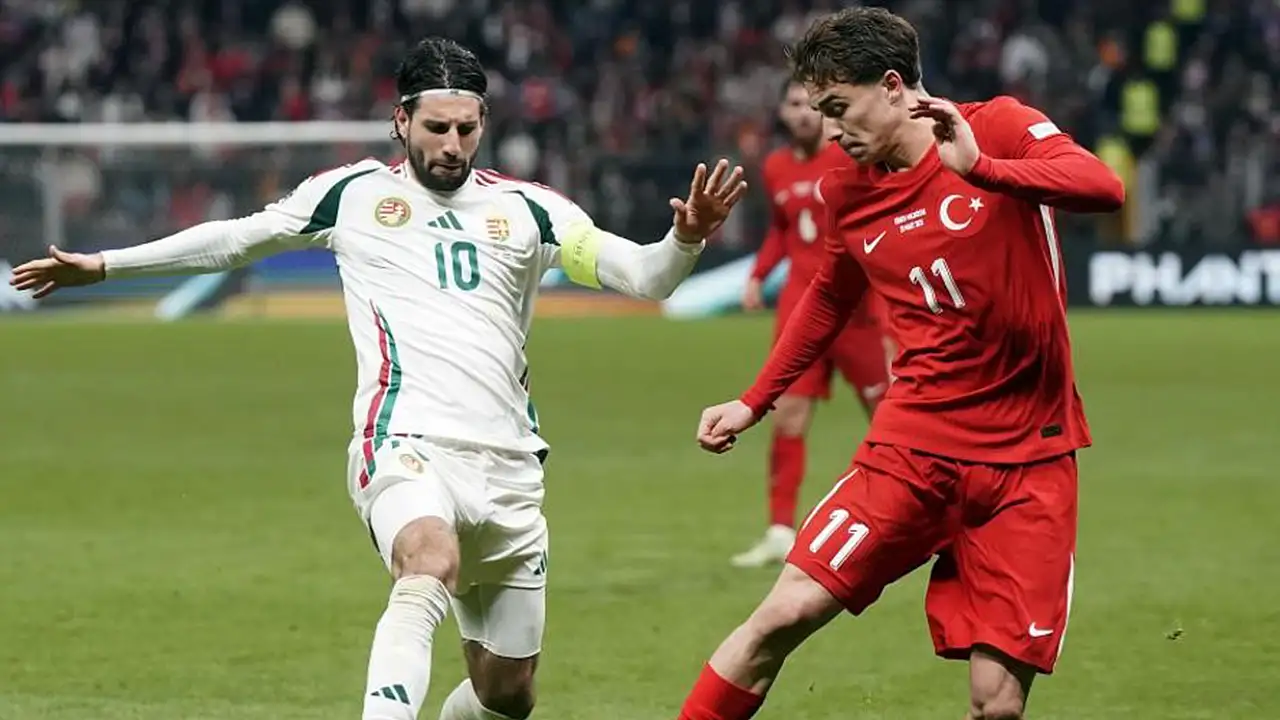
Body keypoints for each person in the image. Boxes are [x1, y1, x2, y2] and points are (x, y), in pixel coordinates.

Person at [10, 37, 746, 720]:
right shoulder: (352, 195)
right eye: (436, 128)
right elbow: (234, 241)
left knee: (507, 694)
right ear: (401, 121)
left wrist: (684, 239)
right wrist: (104, 265)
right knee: (428, 560)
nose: (452, 145)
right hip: (404, 442)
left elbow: (645, 278)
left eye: (466, 129)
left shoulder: (531, 211)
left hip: (509, 465)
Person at [676, 7, 1124, 720]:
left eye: (838, 108)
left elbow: (1102, 187)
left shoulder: (996, 127)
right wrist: (753, 400)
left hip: (1029, 459)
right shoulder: (846, 190)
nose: (830, 131)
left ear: (892, 86)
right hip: (912, 449)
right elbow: (829, 296)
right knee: (780, 616)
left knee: (997, 705)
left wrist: (983, 170)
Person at [732, 80, 892, 569]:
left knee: (891, 420)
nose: (802, 113)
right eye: (793, 104)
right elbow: (781, 230)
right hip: (801, 311)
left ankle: (920, 518)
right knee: (788, 416)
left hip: (859, 312)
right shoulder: (775, 167)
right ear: (782, 111)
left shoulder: (851, 157)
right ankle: (780, 530)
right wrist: (758, 275)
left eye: (809, 105)